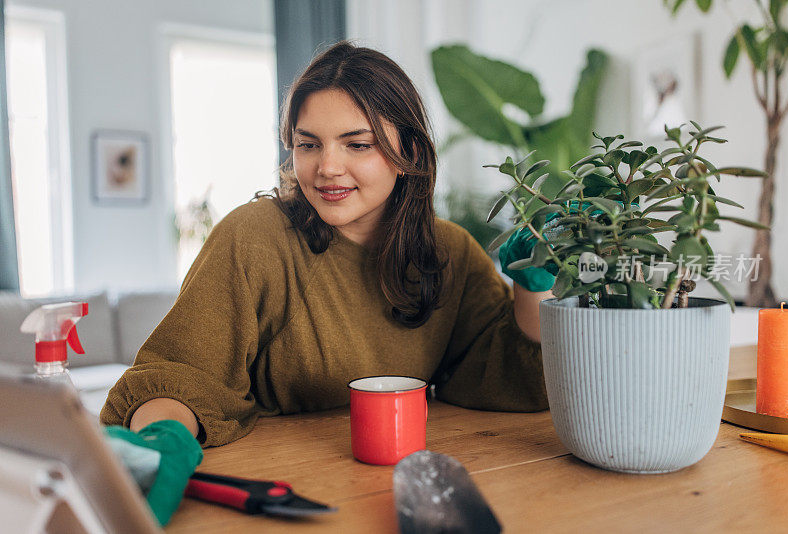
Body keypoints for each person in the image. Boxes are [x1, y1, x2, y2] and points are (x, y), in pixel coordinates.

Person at [99, 41, 555, 525]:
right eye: (308, 143)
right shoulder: (254, 237)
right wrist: (159, 443)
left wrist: (533, 284)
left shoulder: (450, 252)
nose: (327, 168)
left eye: (357, 144)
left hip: (391, 493)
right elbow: (185, 373)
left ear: (410, 151)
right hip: (280, 493)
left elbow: (506, 376)